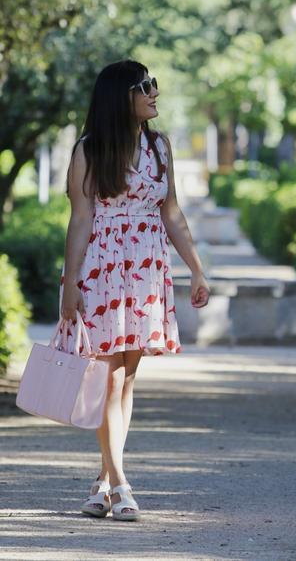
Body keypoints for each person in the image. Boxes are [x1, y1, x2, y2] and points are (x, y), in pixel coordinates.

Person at [59, 59, 210, 521]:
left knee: (126, 378)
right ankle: (122, 481)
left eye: (154, 84)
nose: (154, 93)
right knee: (106, 378)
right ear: (121, 95)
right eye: (146, 86)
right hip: (103, 268)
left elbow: (173, 213)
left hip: (146, 271)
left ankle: (103, 481)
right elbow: (81, 219)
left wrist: (197, 271)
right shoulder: (90, 149)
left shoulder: (160, 147)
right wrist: (70, 284)